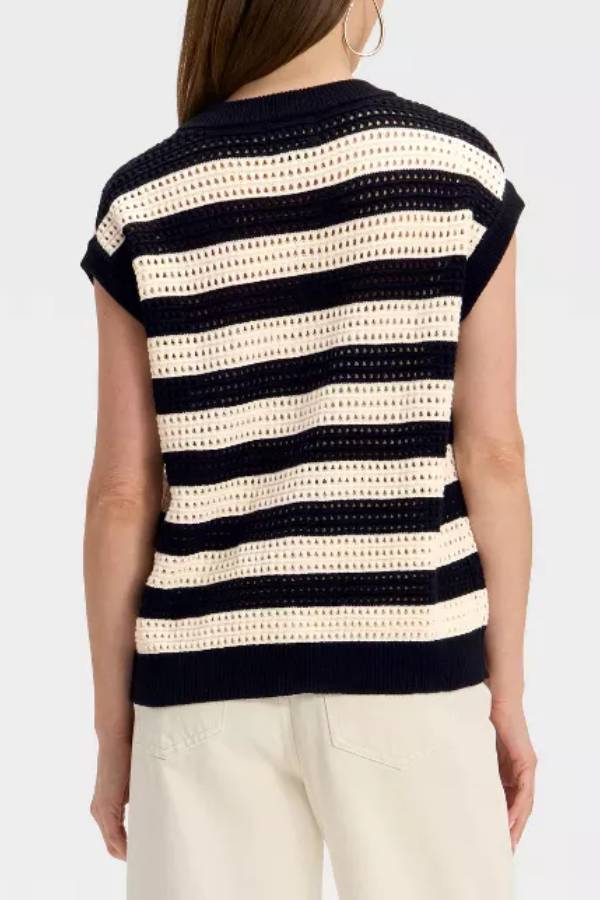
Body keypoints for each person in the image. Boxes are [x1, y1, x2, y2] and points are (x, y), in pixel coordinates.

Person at [81, 1, 536, 897]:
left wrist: (113, 733)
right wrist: (505, 698)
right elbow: (494, 456)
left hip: (203, 681)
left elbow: (123, 495)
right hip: (409, 661)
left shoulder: (146, 201)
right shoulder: (454, 174)